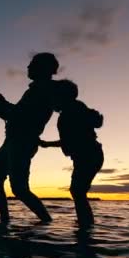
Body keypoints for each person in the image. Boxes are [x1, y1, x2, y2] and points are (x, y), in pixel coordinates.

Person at [0, 52, 59, 224]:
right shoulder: (35, 90)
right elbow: (18, 113)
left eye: (32, 63)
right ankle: (5, 221)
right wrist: (2, 105)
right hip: (11, 142)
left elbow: (19, 116)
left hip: (22, 143)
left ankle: (46, 221)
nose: (28, 67)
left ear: (43, 67)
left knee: (19, 188)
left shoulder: (42, 90)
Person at [40, 79, 104, 228]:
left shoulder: (70, 113)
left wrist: (47, 144)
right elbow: (74, 138)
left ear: (61, 96)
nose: (51, 100)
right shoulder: (77, 108)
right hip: (90, 155)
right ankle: (85, 226)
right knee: (78, 192)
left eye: (53, 96)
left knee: (77, 192)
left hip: (88, 156)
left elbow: (71, 140)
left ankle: (86, 226)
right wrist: (47, 144)